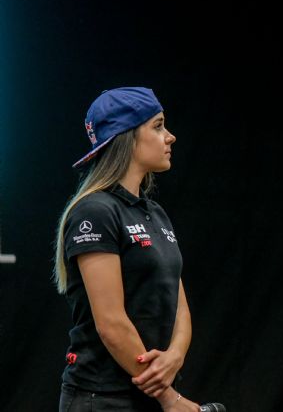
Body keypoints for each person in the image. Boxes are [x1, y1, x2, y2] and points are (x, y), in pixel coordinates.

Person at [54, 87, 202, 411]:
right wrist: (168, 397)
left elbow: (180, 307)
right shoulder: (95, 211)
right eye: (158, 126)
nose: (170, 136)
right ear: (127, 138)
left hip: (150, 396)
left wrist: (175, 357)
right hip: (102, 397)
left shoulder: (155, 213)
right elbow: (111, 324)